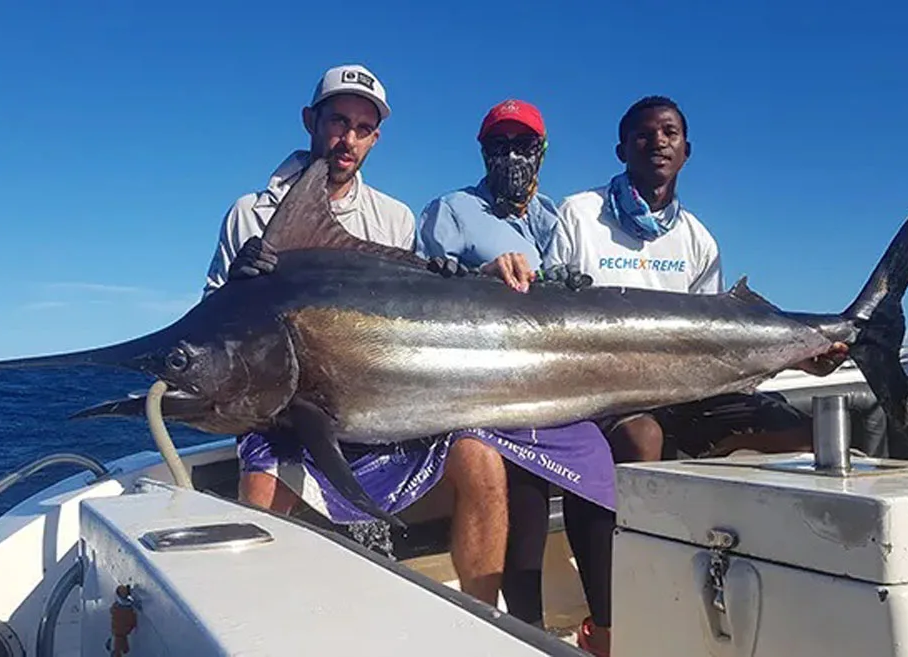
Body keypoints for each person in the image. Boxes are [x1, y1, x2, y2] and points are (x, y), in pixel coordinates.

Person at [547, 95, 849, 656]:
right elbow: (550, 307)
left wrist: (799, 354)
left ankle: (768, 586)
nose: (657, 142)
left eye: (669, 132)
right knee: (641, 438)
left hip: (690, 387)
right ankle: (611, 622)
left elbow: (720, 340)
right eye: (643, 134)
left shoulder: (698, 238)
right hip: (610, 391)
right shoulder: (579, 214)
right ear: (621, 149)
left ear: (687, 150)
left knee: (802, 434)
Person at [201, 64, 511, 606]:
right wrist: (234, 287)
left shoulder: (394, 218)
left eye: (363, 128)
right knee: (263, 479)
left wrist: (468, 279)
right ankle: (256, 616)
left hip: (374, 408)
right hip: (285, 414)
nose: (348, 139)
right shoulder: (249, 214)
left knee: (482, 459)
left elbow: (415, 318)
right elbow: (207, 328)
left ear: (375, 139)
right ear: (310, 121)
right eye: (338, 122)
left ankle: (485, 620)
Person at [417, 99, 615, 630]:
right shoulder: (451, 210)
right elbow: (425, 295)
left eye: (523, 145)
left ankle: (605, 627)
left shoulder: (555, 218)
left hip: (551, 384)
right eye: (498, 145)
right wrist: (482, 275)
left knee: (598, 462)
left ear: (542, 152)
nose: (511, 156)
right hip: (488, 387)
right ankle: (524, 630)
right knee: (523, 480)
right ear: (482, 152)